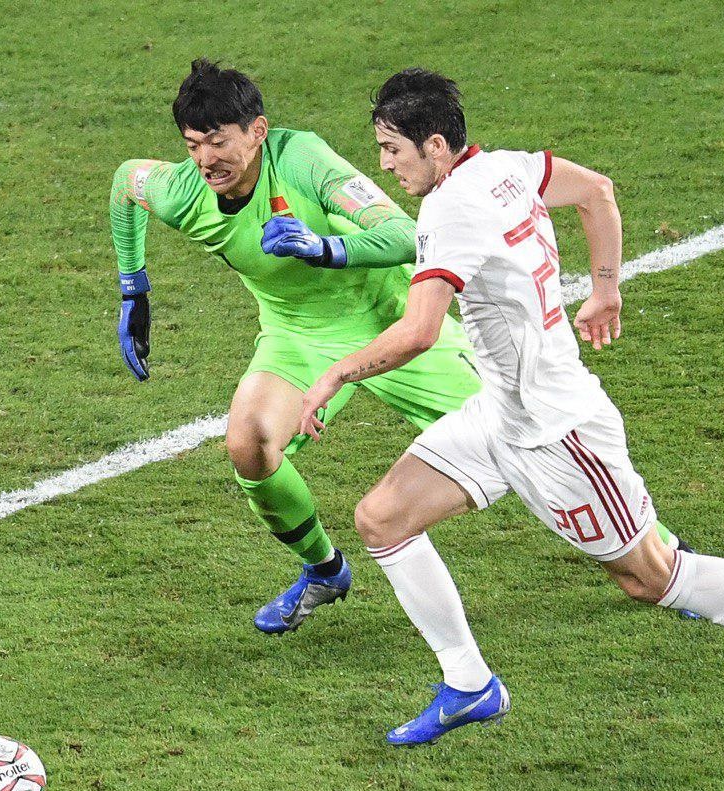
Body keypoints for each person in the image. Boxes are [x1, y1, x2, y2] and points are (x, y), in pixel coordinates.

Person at [298, 68, 724, 745]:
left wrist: (336, 373)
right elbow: (596, 191)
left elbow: (421, 330)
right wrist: (605, 289)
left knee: (653, 577)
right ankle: (470, 685)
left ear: (435, 146)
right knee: (382, 519)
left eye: (392, 149)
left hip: (559, 432)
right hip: (501, 414)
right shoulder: (508, 167)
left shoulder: (450, 209)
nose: (385, 164)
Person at [109, 58, 489, 633]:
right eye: (192, 145)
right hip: (299, 335)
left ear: (257, 131)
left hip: (392, 323)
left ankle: (640, 549)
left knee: (521, 432)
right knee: (249, 443)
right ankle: (324, 569)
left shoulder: (301, 158)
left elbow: (404, 235)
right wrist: (133, 287)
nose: (205, 159)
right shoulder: (181, 192)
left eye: (218, 141)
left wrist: (322, 248)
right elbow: (125, 181)